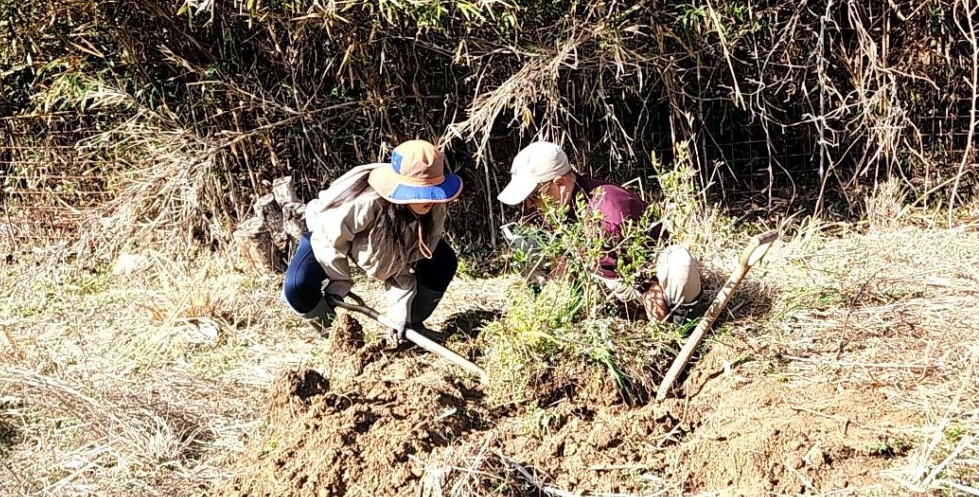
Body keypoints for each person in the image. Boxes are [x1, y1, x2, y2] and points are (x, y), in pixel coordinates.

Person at [497, 141, 703, 324]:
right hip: (598, 277)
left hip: (637, 280)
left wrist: (661, 337)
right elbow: (561, 259)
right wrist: (554, 308)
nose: (530, 206)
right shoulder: (555, 205)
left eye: (533, 198)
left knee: (679, 262)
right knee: (525, 243)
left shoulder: (611, 212)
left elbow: (649, 286)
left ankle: (682, 326)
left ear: (559, 184)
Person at [282, 139, 463, 338]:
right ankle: (340, 337)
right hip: (326, 234)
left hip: (388, 243)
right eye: (421, 193)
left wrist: (400, 315)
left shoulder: (435, 207)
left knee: (443, 263)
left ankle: (409, 329)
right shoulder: (364, 202)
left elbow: (401, 266)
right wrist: (339, 286)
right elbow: (329, 241)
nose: (430, 200)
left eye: (432, 192)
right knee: (297, 287)